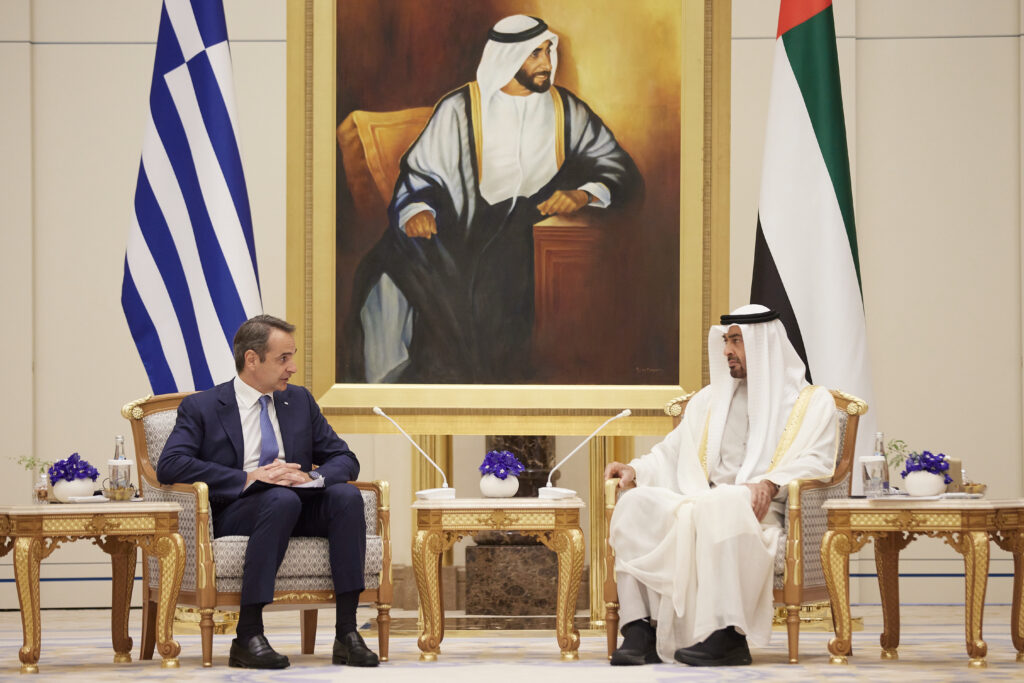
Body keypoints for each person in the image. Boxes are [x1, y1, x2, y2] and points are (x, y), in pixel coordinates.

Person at [345, 14, 642, 384]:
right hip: (458, 222)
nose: (546, 63)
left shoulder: (566, 109)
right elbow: (420, 173)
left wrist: (583, 194)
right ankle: (398, 380)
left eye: (548, 51)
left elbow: (618, 166)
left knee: (496, 284)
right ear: (508, 57)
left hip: (525, 226)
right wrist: (417, 208)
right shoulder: (460, 108)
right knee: (388, 262)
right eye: (535, 54)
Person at [604, 304, 839, 666]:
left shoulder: (810, 402)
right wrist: (635, 470)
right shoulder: (709, 400)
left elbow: (818, 460)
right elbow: (671, 452)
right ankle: (640, 631)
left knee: (726, 502)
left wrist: (770, 483)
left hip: (760, 514)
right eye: (726, 341)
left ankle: (728, 637)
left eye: (736, 341)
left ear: (763, 344)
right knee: (634, 504)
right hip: (701, 501)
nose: (727, 350)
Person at [158, 315, 378, 669]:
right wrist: (247, 478)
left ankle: (347, 633)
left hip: (296, 503)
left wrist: (310, 476)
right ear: (252, 359)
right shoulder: (204, 407)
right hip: (238, 510)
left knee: (346, 498)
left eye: (292, 357)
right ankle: (248, 635)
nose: (292, 368)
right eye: (283, 359)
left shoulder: (299, 401)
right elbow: (171, 464)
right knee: (280, 499)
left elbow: (344, 458)